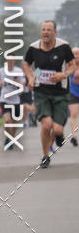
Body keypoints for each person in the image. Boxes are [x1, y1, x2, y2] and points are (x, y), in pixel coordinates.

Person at [22, 21, 76, 169]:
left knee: (57, 128)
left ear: (55, 32)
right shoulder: (34, 48)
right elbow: (28, 65)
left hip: (60, 92)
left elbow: (72, 65)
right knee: (46, 125)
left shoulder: (63, 47)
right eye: (43, 30)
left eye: (49, 30)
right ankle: (46, 156)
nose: (45, 32)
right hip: (41, 92)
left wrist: (63, 75)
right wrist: (32, 77)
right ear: (41, 32)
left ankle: (59, 135)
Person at [0, 58, 27, 151]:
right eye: (8, 61)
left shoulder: (18, 71)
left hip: (16, 100)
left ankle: (11, 139)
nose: (10, 62)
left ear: (14, 61)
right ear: (5, 62)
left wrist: (17, 82)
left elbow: (23, 83)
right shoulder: (1, 71)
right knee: (7, 121)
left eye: (12, 61)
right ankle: (7, 138)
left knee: (14, 124)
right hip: (4, 99)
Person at [68, 46, 79, 147]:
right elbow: (42, 68)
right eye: (74, 54)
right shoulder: (68, 65)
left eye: (77, 54)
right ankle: (74, 136)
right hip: (73, 92)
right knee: (74, 114)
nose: (76, 56)